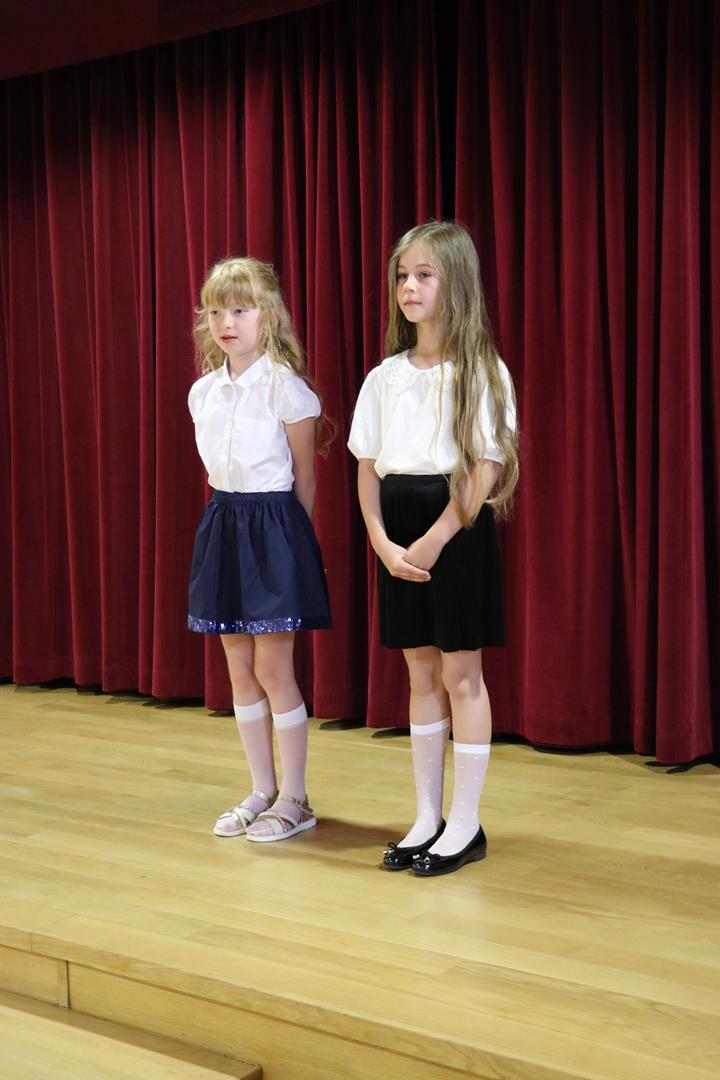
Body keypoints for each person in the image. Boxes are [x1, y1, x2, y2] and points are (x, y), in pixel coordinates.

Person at [348, 221, 519, 877]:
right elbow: (367, 467)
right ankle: (427, 816)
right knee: (419, 673)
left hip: (456, 525)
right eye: (402, 275)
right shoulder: (384, 377)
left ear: (457, 283)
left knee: (460, 674)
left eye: (424, 275)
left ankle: (465, 822)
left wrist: (435, 537)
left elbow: (484, 467)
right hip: (398, 528)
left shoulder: (482, 372)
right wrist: (382, 541)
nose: (409, 287)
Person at [188, 256, 333, 842]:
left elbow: (305, 480)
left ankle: (295, 797)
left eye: (240, 310)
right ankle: (260, 789)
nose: (227, 322)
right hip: (224, 523)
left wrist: (293, 553)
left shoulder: (286, 390)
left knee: (274, 667)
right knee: (239, 667)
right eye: (216, 311)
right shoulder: (203, 393)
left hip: (275, 529)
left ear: (267, 316)